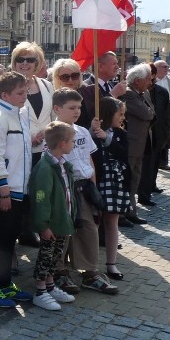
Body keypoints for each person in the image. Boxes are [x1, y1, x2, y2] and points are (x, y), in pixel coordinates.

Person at [50, 88, 118, 295]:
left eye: (79, 107)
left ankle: (90, 272)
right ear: (57, 108)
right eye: (72, 108)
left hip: (83, 187)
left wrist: (93, 186)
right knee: (64, 231)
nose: (77, 111)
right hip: (63, 189)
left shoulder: (81, 132)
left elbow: (88, 159)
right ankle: (59, 271)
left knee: (88, 228)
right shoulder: (50, 134)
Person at [0, 42, 54, 248]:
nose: (24, 63)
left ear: (39, 63)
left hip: (42, 152)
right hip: (15, 155)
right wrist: (28, 138)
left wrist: (49, 132)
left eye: (30, 59)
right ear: (13, 62)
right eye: (20, 59)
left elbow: (53, 115)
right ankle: (12, 246)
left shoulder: (46, 85)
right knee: (16, 200)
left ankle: (27, 231)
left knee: (36, 195)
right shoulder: (4, 87)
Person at [0, 71, 34, 307]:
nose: (25, 96)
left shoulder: (19, 115)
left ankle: (3, 283)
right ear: (5, 94)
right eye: (20, 93)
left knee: (9, 238)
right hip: (4, 191)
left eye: (25, 92)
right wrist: (3, 189)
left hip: (18, 188)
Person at [27, 121, 78, 311]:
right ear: (63, 143)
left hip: (62, 221)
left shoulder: (62, 164)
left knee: (56, 256)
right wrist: (43, 225)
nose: (74, 144)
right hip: (50, 224)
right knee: (46, 256)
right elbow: (41, 198)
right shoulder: (45, 168)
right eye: (72, 141)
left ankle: (49, 285)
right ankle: (40, 291)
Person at [91, 97, 130, 282]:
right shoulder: (94, 133)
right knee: (94, 221)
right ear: (108, 114)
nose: (122, 117)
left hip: (116, 182)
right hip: (99, 180)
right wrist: (94, 133)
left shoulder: (120, 134)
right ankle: (91, 265)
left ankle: (111, 263)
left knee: (112, 223)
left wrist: (107, 138)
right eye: (119, 114)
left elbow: (123, 153)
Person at [120, 64, 155, 224]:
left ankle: (131, 211)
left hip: (141, 145)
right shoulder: (128, 94)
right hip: (131, 144)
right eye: (148, 79)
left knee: (135, 179)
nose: (150, 82)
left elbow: (152, 112)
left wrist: (149, 112)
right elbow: (146, 113)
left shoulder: (143, 93)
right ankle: (123, 213)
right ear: (138, 81)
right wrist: (149, 112)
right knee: (127, 179)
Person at [139, 63, 170, 204]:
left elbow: (167, 115)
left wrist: (167, 133)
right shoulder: (137, 92)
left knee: (154, 162)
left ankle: (151, 185)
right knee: (145, 165)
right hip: (144, 135)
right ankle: (143, 193)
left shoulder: (161, 91)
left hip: (158, 132)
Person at [78, 50, 126, 128]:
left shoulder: (112, 85)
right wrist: (113, 94)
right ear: (100, 67)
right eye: (114, 64)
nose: (117, 67)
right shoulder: (86, 87)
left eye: (117, 63)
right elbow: (93, 113)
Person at [153, 60, 170, 171]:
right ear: (157, 68)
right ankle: (155, 161)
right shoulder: (151, 80)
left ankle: (163, 162)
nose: (167, 68)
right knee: (155, 136)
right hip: (154, 112)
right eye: (164, 66)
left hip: (169, 112)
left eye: (167, 66)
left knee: (166, 135)